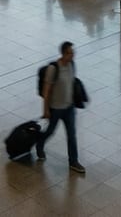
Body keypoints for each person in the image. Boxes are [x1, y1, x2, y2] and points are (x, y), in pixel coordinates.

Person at [36, 41, 85, 174]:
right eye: (70, 53)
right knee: (50, 131)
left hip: (69, 108)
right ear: (63, 53)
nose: (72, 55)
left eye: (73, 53)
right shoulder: (53, 69)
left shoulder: (72, 65)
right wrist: (45, 110)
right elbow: (47, 91)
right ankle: (39, 144)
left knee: (71, 135)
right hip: (55, 109)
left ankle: (73, 161)